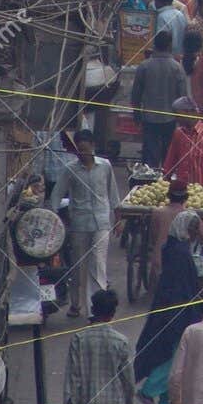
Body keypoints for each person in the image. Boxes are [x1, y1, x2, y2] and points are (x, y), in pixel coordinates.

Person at [133, 212, 201, 404]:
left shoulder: (173, 248)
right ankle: (148, 390)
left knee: (172, 356)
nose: (195, 234)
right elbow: (180, 288)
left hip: (170, 311)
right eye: (193, 230)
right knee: (172, 360)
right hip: (176, 314)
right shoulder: (180, 253)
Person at [59, 128, 121, 318]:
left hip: (101, 222)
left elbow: (113, 194)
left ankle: (97, 310)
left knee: (98, 264)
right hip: (79, 224)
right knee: (78, 266)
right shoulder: (70, 169)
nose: (83, 154)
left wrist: (118, 219)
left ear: (93, 147)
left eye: (86, 149)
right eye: (80, 150)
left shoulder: (105, 166)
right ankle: (76, 304)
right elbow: (57, 196)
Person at [64, 287, 135, 404]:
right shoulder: (120, 341)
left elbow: (73, 380)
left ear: (93, 309)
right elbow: (128, 381)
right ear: (113, 314)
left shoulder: (79, 339)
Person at [132, 34, 190, 175]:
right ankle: (166, 183)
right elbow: (183, 98)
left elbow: (136, 95)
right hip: (170, 120)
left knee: (149, 160)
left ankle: (148, 184)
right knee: (169, 158)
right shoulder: (177, 68)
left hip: (149, 118)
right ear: (169, 45)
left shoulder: (144, 66)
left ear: (155, 45)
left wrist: (137, 116)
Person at [162, 100, 203, 188]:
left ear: (189, 112)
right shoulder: (178, 133)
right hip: (182, 186)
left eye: (178, 115)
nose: (176, 119)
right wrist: (164, 180)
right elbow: (171, 159)